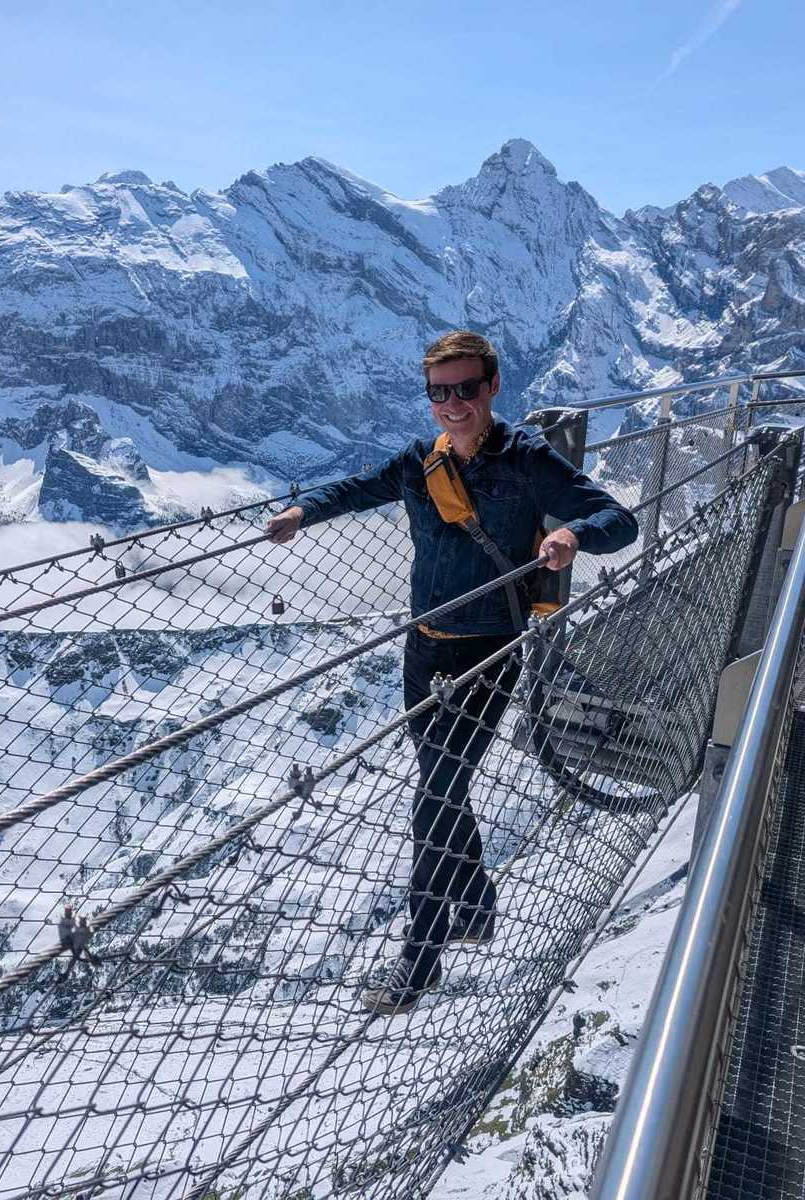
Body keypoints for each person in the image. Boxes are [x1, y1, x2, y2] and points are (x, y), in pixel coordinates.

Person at [266, 331, 638, 1015]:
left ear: (493, 386)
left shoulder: (527, 460)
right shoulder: (419, 462)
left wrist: (572, 536)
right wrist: (300, 513)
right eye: (440, 392)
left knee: (435, 797)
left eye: (466, 388)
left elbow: (622, 520)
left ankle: (420, 959)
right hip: (423, 647)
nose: (453, 404)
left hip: (488, 652)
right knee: (444, 785)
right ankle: (478, 905)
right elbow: (357, 488)